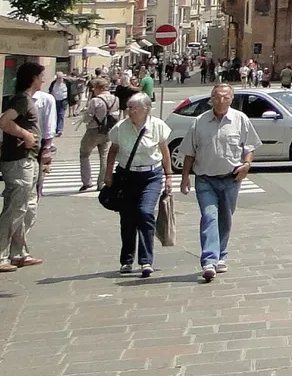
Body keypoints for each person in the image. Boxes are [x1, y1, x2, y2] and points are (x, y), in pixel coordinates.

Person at [179, 83, 259, 284]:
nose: (221, 100)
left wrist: (247, 164)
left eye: (225, 97)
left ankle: (221, 254)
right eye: (217, 97)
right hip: (205, 179)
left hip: (231, 178)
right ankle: (209, 261)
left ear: (231, 99)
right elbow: (189, 152)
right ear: (211, 99)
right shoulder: (200, 122)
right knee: (209, 217)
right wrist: (185, 177)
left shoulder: (240, 119)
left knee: (225, 218)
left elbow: (249, 147)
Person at [100, 94, 171, 278]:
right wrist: (108, 173)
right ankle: (127, 260)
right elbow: (113, 151)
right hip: (127, 176)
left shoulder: (157, 126)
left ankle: (146, 260)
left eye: (135, 108)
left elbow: (165, 151)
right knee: (128, 218)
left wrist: (169, 176)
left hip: (151, 175)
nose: (131, 111)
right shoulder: (120, 127)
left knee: (145, 213)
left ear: (146, 109)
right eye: (130, 108)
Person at [0, 62, 45, 273]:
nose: (43, 79)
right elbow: (4, 122)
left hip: (28, 159)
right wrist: (26, 135)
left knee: (27, 208)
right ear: (33, 78)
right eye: (41, 76)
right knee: (15, 209)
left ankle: (19, 253)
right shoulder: (22, 99)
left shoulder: (25, 100)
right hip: (19, 161)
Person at [79, 76, 120, 191]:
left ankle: (87, 181)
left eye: (94, 88)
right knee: (104, 156)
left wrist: (84, 118)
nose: (93, 90)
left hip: (94, 130)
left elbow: (88, 117)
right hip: (108, 131)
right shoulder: (115, 99)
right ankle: (101, 182)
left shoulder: (95, 101)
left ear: (98, 88)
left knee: (84, 153)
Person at [31, 81, 57, 199]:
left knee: (37, 177)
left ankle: (35, 198)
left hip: (39, 143)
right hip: (20, 143)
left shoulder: (46, 99)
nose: (42, 81)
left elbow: (50, 125)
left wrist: (47, 148)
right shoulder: (18, 99)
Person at [50, 72, 69, 137]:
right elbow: (50, 91)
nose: (60, 79)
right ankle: (55, 129)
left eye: (61, 78)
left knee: (61, 115)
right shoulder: (53, 83)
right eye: (59, 78)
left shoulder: (66, 83)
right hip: (55, 101)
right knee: (55, 115)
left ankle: (59, 130)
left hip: (63, 101)